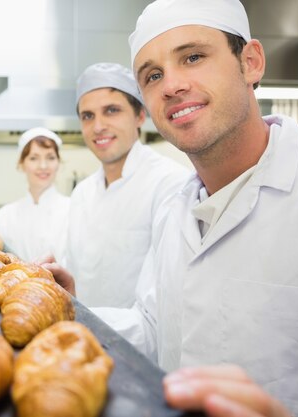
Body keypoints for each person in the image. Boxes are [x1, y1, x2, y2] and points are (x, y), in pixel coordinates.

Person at [44, 0, 298, 416]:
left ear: (251, 62)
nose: (171, 85)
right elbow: (156, 330)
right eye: (152, 75)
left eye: (193, 57)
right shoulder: (178, 209)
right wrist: (70, 310)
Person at [64, 62, 189, 308]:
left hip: (139, 346)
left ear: (140, 115)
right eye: (87, 116)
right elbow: (75, 272)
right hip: (80, 340)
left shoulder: (171, 185)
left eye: (111, 110)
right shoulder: (81, 194)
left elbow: (165, 307)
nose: (98, 126)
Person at [0, 127, 70, 262]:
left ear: (58, 162)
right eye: (34, 158)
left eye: (50, 157)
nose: (43, 166)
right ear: (22, 164)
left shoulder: (74, 210)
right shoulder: (4, 217)